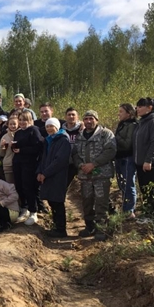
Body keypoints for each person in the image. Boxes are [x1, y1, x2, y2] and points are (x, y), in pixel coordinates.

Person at [73, 110, 116, 241]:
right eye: (86, 119)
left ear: (97, 120)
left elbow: (111, 151)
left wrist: (94, 164)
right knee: (87, 202)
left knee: (101, 203)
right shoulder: (80, 135)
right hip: (85, 176)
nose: (88, 121)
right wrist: (81, 165)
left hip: (101, 175)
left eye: (91, 118)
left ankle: (101, 229)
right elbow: (75, 154)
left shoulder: (105, 134)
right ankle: (89, 227)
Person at [37, 118, 71, 238]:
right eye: (47, 127)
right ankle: (56, 226)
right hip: (48, 175)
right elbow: (44, 158)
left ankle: (61, 229)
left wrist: (45, 173)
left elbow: (60, 161)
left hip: (58, 175)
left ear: (57, 127)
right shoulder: (48, 140)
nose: (49, 129)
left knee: (57, 202)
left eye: (52, 126)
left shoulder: (63, 140)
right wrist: (40, 172)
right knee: (52, 201)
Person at [133, 97, 154, 220]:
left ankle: (152, 215)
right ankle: (147, 212)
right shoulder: (142, 121)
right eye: (137, 106)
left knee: (151, 189)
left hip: (150, 162)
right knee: (144, 188)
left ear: (149, 108)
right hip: (140, 162)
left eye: (140, 106)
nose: (138, 109)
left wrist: (148, 160)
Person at [12, 111, 44, 226]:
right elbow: (16, 145)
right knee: (19, 186)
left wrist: (22, 150)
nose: (21, 122)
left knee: (28, 187)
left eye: (24, 120)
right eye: (20, 120)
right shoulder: (18, 132)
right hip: (17, 162)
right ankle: (24, 209)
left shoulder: (34, 130)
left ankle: (33, 212)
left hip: (29, 163)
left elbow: (38, 147)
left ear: (29, 120)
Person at [114, 103, 138, 218]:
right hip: (120, 157)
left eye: (121, 112)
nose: (119, 114)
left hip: (128, 157)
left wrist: (115, 137)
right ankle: (125, 208)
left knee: (129, 184)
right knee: (122, 183)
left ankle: (130, 210)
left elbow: (128, 144)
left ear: (129, 113)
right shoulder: (122, 124)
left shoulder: (132, 125)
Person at [62, 107, 84, 188]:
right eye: (69, 115)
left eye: (73, 115)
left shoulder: (83, 129)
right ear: (65, 117)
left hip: (80, 161)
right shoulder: (61, 130)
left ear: (77, 117)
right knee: (64, 185)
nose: (71, 117)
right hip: (66, 162)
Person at [0, 116, 19, 184]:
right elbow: (1, 154)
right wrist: (2, 146)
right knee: (10, 186)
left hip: (20, 163)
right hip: (8, 164)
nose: (12, 126)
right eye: (11, 124)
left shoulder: (21, 134)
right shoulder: (5, 136)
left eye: (14, 124)